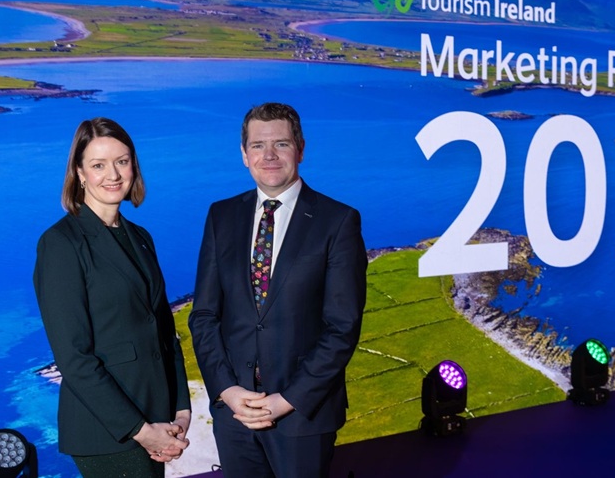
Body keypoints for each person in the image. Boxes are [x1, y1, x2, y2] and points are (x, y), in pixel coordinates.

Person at [189, 102, 367, 478]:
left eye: (281, 144)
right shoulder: (221, 216)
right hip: (234, 415)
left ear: (300, 149)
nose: (268, 155)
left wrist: (287, 400)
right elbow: (204, 315)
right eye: (257, 145)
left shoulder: (338, 221)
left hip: (303, 415)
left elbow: (342, 327)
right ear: (244, 154)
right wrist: (226, 390)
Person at [33, 117, 191, 477]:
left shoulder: (141, 237)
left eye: (122, 161)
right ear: (79, 172)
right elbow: (74, 358)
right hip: (108, 433)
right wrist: (141, 431)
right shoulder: (60, 244)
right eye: (98, 165)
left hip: (156, 416)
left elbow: (164, 332)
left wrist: (181, 407)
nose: (113, 174)